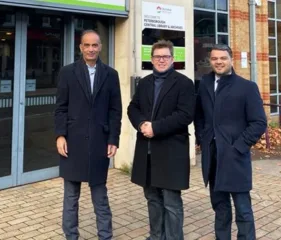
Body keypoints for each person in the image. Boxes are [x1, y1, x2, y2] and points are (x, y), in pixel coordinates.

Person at [54, 29, 122, 240]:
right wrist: (60, 135)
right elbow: (60, 108)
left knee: (100, 196)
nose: (91, 49)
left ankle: (105, 236)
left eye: (95, 45)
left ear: (100, 47)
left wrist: (113, 139)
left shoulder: (111, 74)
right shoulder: (67, 72)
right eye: (87, 45)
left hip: (99, 143)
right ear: (81, 47)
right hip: (72, 142)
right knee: (71, 197)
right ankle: (71, 236)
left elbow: (115, 110)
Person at [194, 44, 267, 239]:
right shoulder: (205, 83)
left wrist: (239, 147)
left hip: (235, 157)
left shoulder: (247, 87)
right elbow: (199, 114)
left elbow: (259, 122)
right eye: (215, 58)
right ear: (211, 61)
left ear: (231, 60)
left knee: (243, 210)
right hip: (213, 156)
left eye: (223, 58)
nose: (218, 62)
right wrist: (203, 137)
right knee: (220, 208)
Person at [127, 39, 195, 240]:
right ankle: (156, 236)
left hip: (171, 151)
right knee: (152, 199)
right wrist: (141, 125)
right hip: (147, 152)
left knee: (171, 202)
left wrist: (155, 127)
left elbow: (185, 115)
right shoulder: (145, 82)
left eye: (165, 56)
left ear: (173, 59)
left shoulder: (184, 83)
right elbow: (133, 108)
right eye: (157, 56)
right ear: (151, 59)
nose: (161, 60)